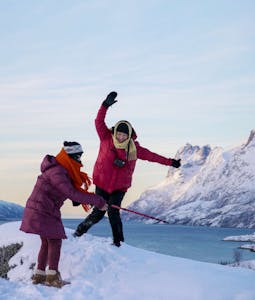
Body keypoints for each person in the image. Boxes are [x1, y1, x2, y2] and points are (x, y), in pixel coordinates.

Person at [73, 92, 181, 246]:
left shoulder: (134, 149)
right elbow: (98, 121)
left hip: (119, 187)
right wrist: (105, 105)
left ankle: (119, 243)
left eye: (124, 135)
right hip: (102, 184)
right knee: (98, 213)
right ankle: (79, 231)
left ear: (129, 135)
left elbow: (153, 156)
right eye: (119, 133)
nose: (121, 137)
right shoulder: (105, 137)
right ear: (115, 131)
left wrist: (171, 162)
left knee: (113, 212)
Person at [20, 141, 107, 288]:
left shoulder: (59, 169)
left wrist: (86, 198)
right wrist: (98, 201)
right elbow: (71, 193)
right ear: (70, 157)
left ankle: (39, 275)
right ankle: (52, 277)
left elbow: (69, 191)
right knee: (55, 241)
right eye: (78, 157)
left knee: (47, 242)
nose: (80, 161)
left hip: (41, 209)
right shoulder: (57, 171)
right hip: (44, 210)